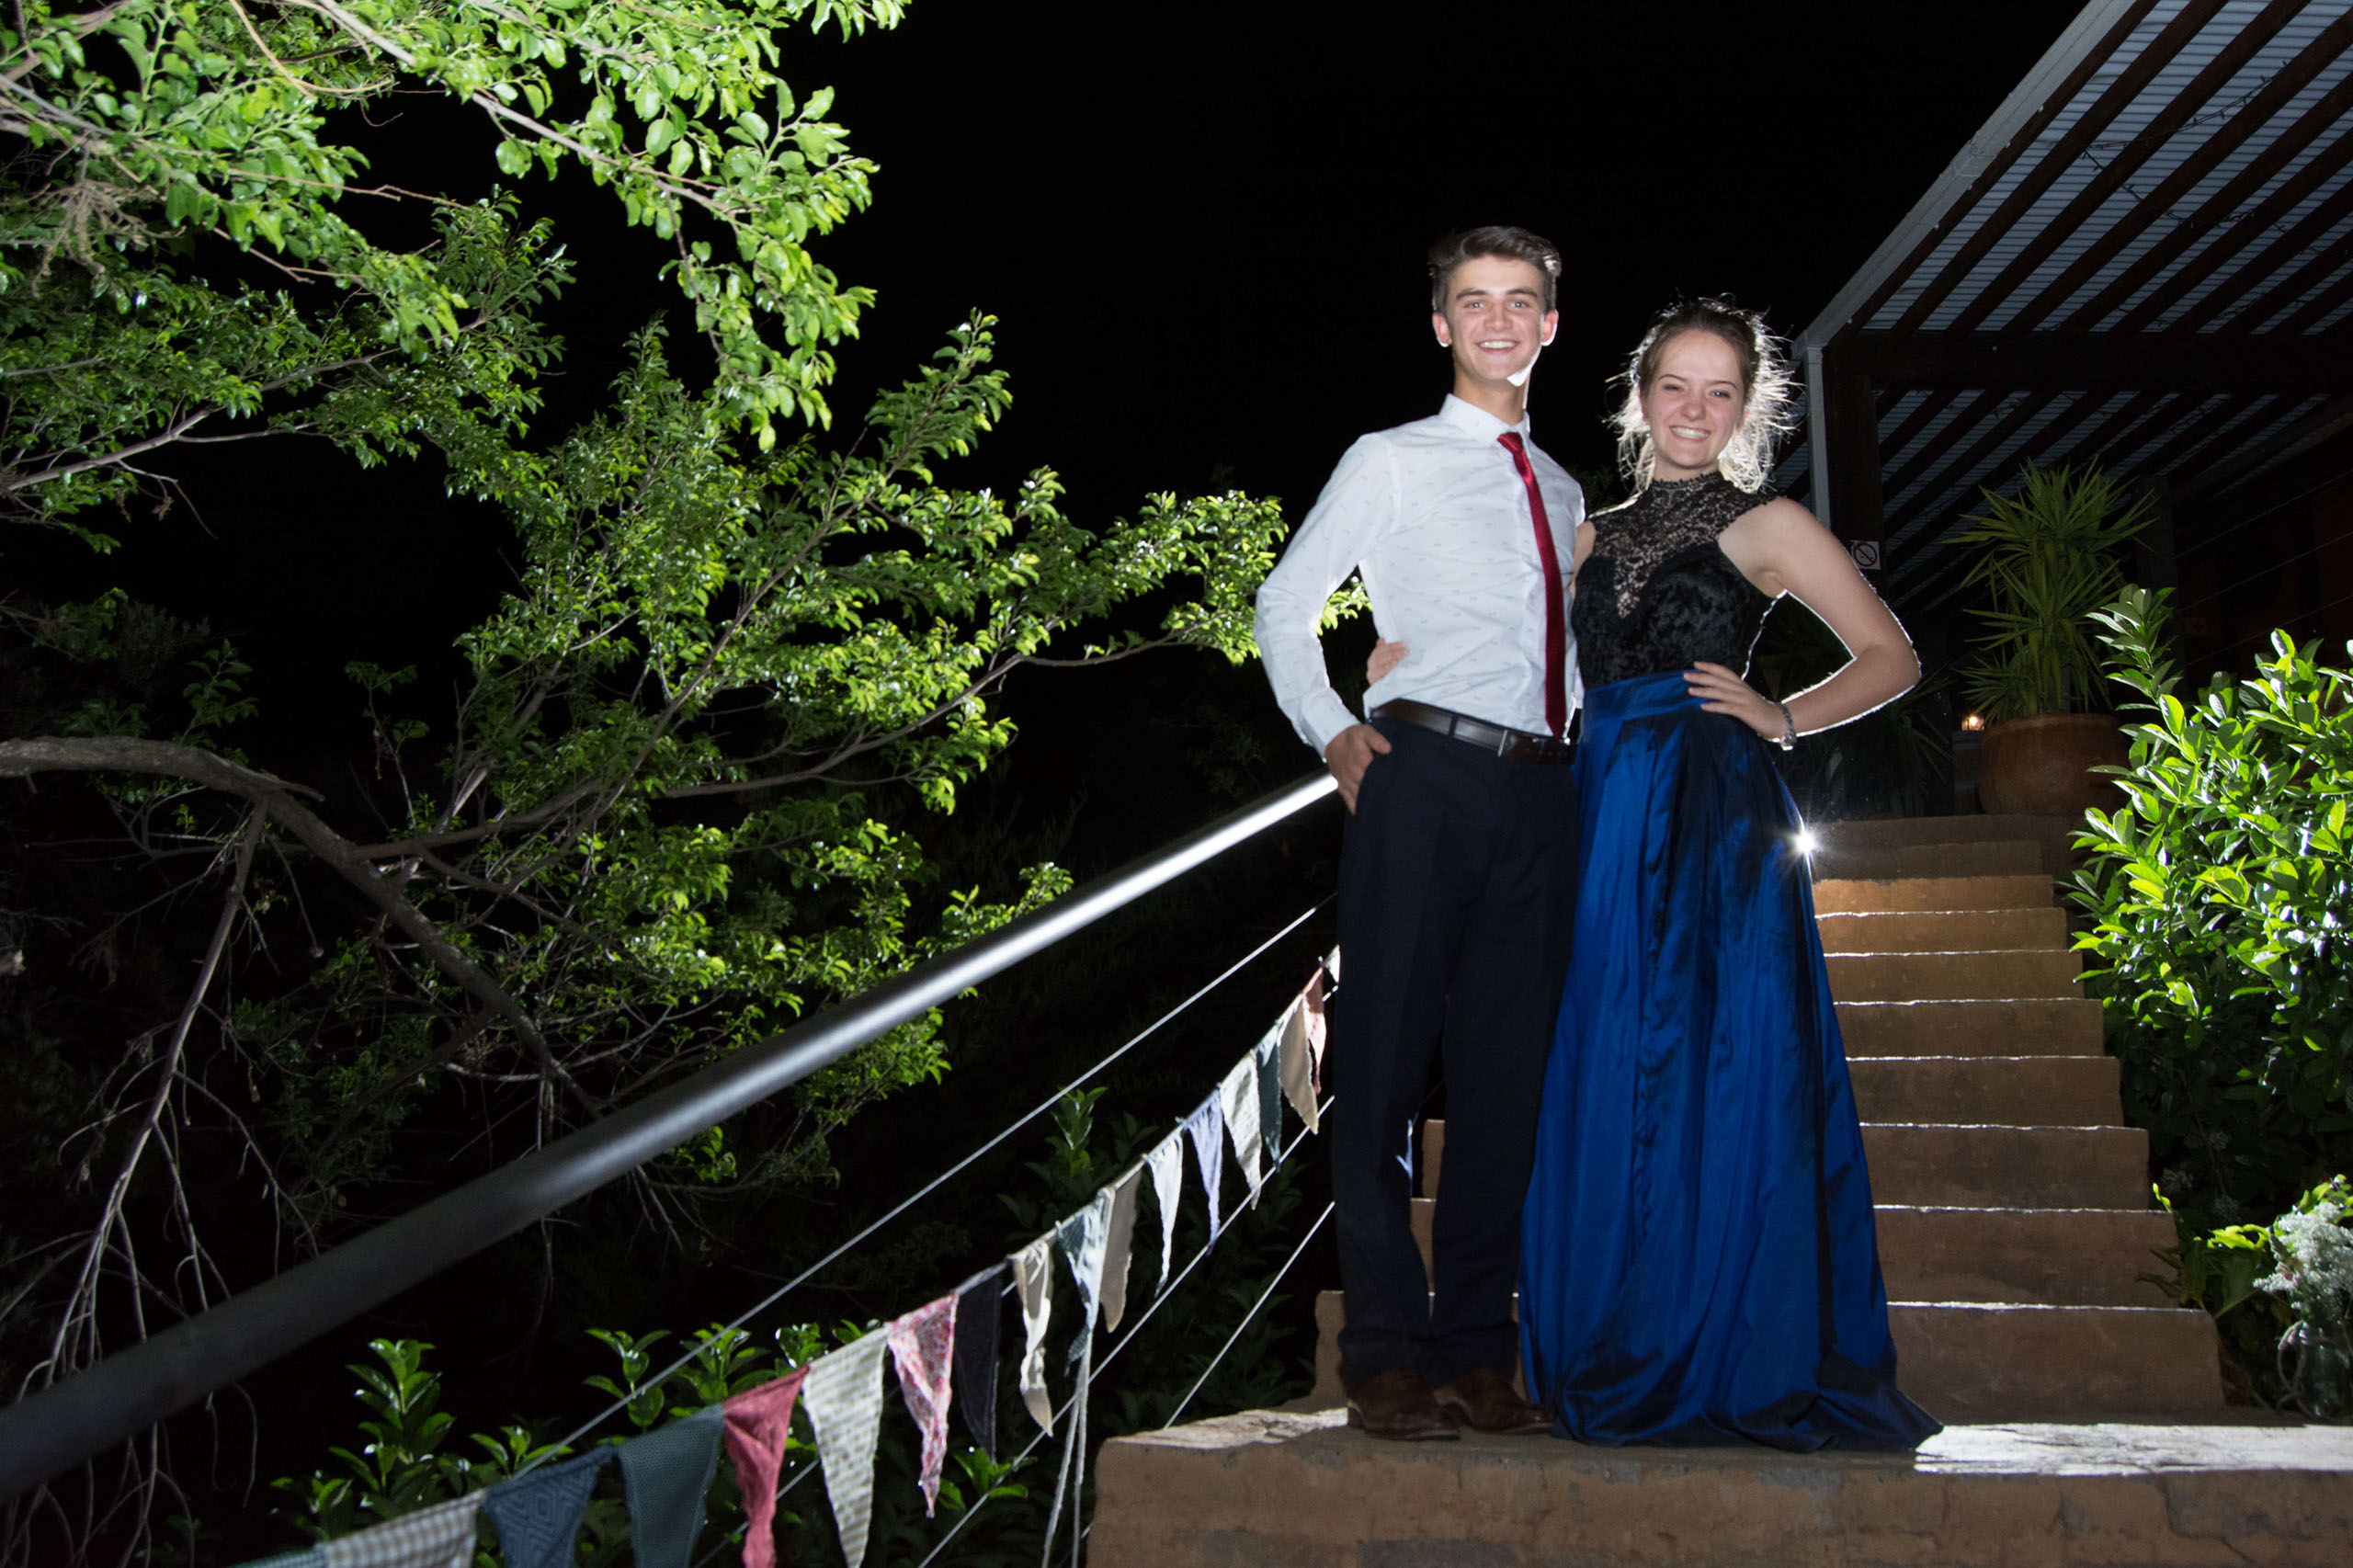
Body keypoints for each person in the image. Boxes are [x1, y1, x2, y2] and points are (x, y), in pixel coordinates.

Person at [1369, 298, 1939, 1449]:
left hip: (1711, 816)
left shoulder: (1770, 523)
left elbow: (1891, 656)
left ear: (1745, 410)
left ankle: (1716, 1340)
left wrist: (1783, 715)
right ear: (1639, 395)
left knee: (1712, 1067)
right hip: (1589, 807)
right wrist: (1395, 660)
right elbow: (1502, 643)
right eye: (1674, 384)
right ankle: (1599, 1334)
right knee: (1591, 1059)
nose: (1693, 408)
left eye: (1719, 391)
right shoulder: (1585, 529)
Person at [1252, 227, 1583, 1442]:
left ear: (1550, 324)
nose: (1498, 320)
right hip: (1422, 773)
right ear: (1441, 325)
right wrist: (1334, 728)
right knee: (1384, 1063)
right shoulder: (1388, 458)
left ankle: (1480, 1350)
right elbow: (1284, 603)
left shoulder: (1565, 491)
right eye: (1473, 301)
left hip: (1544, 793)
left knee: (1507, 1081)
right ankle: (1385, 1349)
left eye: (1521, 300)